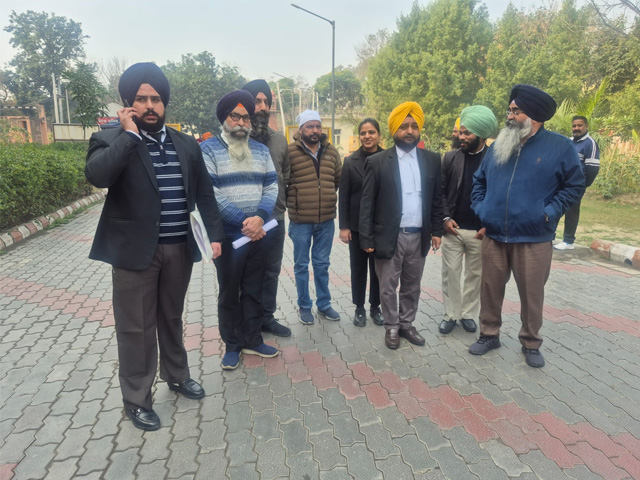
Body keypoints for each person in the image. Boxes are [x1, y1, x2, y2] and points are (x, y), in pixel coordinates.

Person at [85, 63, 225, 431]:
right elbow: (97, 176)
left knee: (171, 318)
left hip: (179, 249)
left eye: (156, 99)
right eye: (141, 99)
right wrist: (129, 137)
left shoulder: (186, 143)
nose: (150, 105)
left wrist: (215, 235)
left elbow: (205, 193)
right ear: (128, 103)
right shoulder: (110, 139)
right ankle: (136, 399)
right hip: (134, 255)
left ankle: (177, 376)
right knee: (136, 328)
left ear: (164, 103)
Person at [469, 85, 585, 368]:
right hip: (495, 235)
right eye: (509, 110)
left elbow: (574, 185)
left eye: (516, 111)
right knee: (490, 289)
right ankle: (489, 334)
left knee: (532, 294)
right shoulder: (499, 145)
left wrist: (549, 213)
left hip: (534, 237)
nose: (509, 116)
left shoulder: (560, 147)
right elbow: (479, 181)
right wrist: (482, 209)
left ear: (534, 116)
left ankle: (531, 342)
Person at [200, 90, 280, 370]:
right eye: (235, 116)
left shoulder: (260, 150)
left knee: (255, 289)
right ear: (224, 118)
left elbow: (271, 186)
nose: (241, 123)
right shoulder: (208, 150)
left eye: (246, 118)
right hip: (229, 237)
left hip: (259, 233)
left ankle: (253, 339)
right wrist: (245, 222)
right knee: (229, 291)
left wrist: (259, 218)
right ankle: (232, 345)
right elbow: (210, 193)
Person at [359, 102, 444, 350]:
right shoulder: (377, 161)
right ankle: (392, 327)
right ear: (394, 130)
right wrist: (366, 239)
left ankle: (407, 324)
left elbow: (437, 198)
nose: (409, 131)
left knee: (412, 286)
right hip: (389, 236)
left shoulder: (432, 160)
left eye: (414, 126)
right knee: (387, 287)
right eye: (404, 126)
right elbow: (367, 203)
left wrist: (437, 231)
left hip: (419, 235)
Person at [439, 106, 498, 335]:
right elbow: (441, 192)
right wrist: (445, 218)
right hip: (452, 229)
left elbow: (499, 194)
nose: (461, 137)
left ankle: (467, 314)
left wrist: (488, 225)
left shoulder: (496, 159)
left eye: (467, 133)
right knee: (451, 274)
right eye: (460, 132)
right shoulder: (451, 157)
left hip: (480, 231)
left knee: (475, 275)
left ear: (481, 135)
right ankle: (451, 314)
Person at [242, 79, 292, 337]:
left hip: (274, 219)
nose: (262, 107)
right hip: (245, 222)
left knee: (271, 271)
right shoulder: (237, 137)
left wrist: (282, 207)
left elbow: (287, 176)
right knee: (246, 273)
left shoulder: (279, 141)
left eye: (266, 102)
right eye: (257, 101)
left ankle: (267, 318)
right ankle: (245, 322)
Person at [287, 110, 342, 325]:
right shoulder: (290, 152)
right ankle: (304, 306)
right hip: (300, 220)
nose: (315, 130)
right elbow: (284, 181)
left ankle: (324, 304)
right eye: (310, 126)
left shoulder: (332, 152)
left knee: (322, 264)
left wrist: (324, 197)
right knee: (301, 265)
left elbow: (336, 181)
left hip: (326, 220)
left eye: (318, 126)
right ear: (301, 129)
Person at [339, 118, 384, 327]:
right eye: (363, 133)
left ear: (379, 135)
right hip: (356, 227)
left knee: (378, 270)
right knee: (358, 269)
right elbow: (344, 196)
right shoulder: (350, 162)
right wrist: (344, 226)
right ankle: (359, 307)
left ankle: (376, 307)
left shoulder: (387, 158)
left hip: (380, 227)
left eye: (371, 132)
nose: (367, 136)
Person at [554, 115, 600, 250]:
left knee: (571, 211)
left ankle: (568, 241)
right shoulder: (568, 142)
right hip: (561, 183)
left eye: (580, 125)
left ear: (586, 126)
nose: (576, 128)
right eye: (574, 126)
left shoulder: (590, 144)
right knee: (555, 207)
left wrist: (582, 185)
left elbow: (592, 169)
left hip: (576, 185)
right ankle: (549, 235)